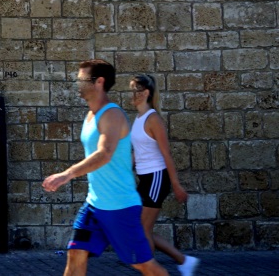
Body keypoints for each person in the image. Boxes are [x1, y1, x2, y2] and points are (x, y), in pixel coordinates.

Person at [42, 59, 167, 276]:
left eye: (82, 80)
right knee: (76, 254)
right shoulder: (91, 115)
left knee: (143, 265)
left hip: (120, 207)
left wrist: (67, 174)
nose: (78, 84)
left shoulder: (112, 114)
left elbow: (105, 153)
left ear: (99, 82)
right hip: (94, 205)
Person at [129, 74, 200, 276]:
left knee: (142, 232)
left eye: (135, 90)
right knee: (143, 229)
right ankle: (184, 260)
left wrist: (176, 185)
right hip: (145, 179)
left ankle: (150, 271)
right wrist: (124, 169)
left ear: (145, 93)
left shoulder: (153, 119)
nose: (131, 94)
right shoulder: (139, 117)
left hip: (156, 179)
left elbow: (166, 153)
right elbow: (138, 151)